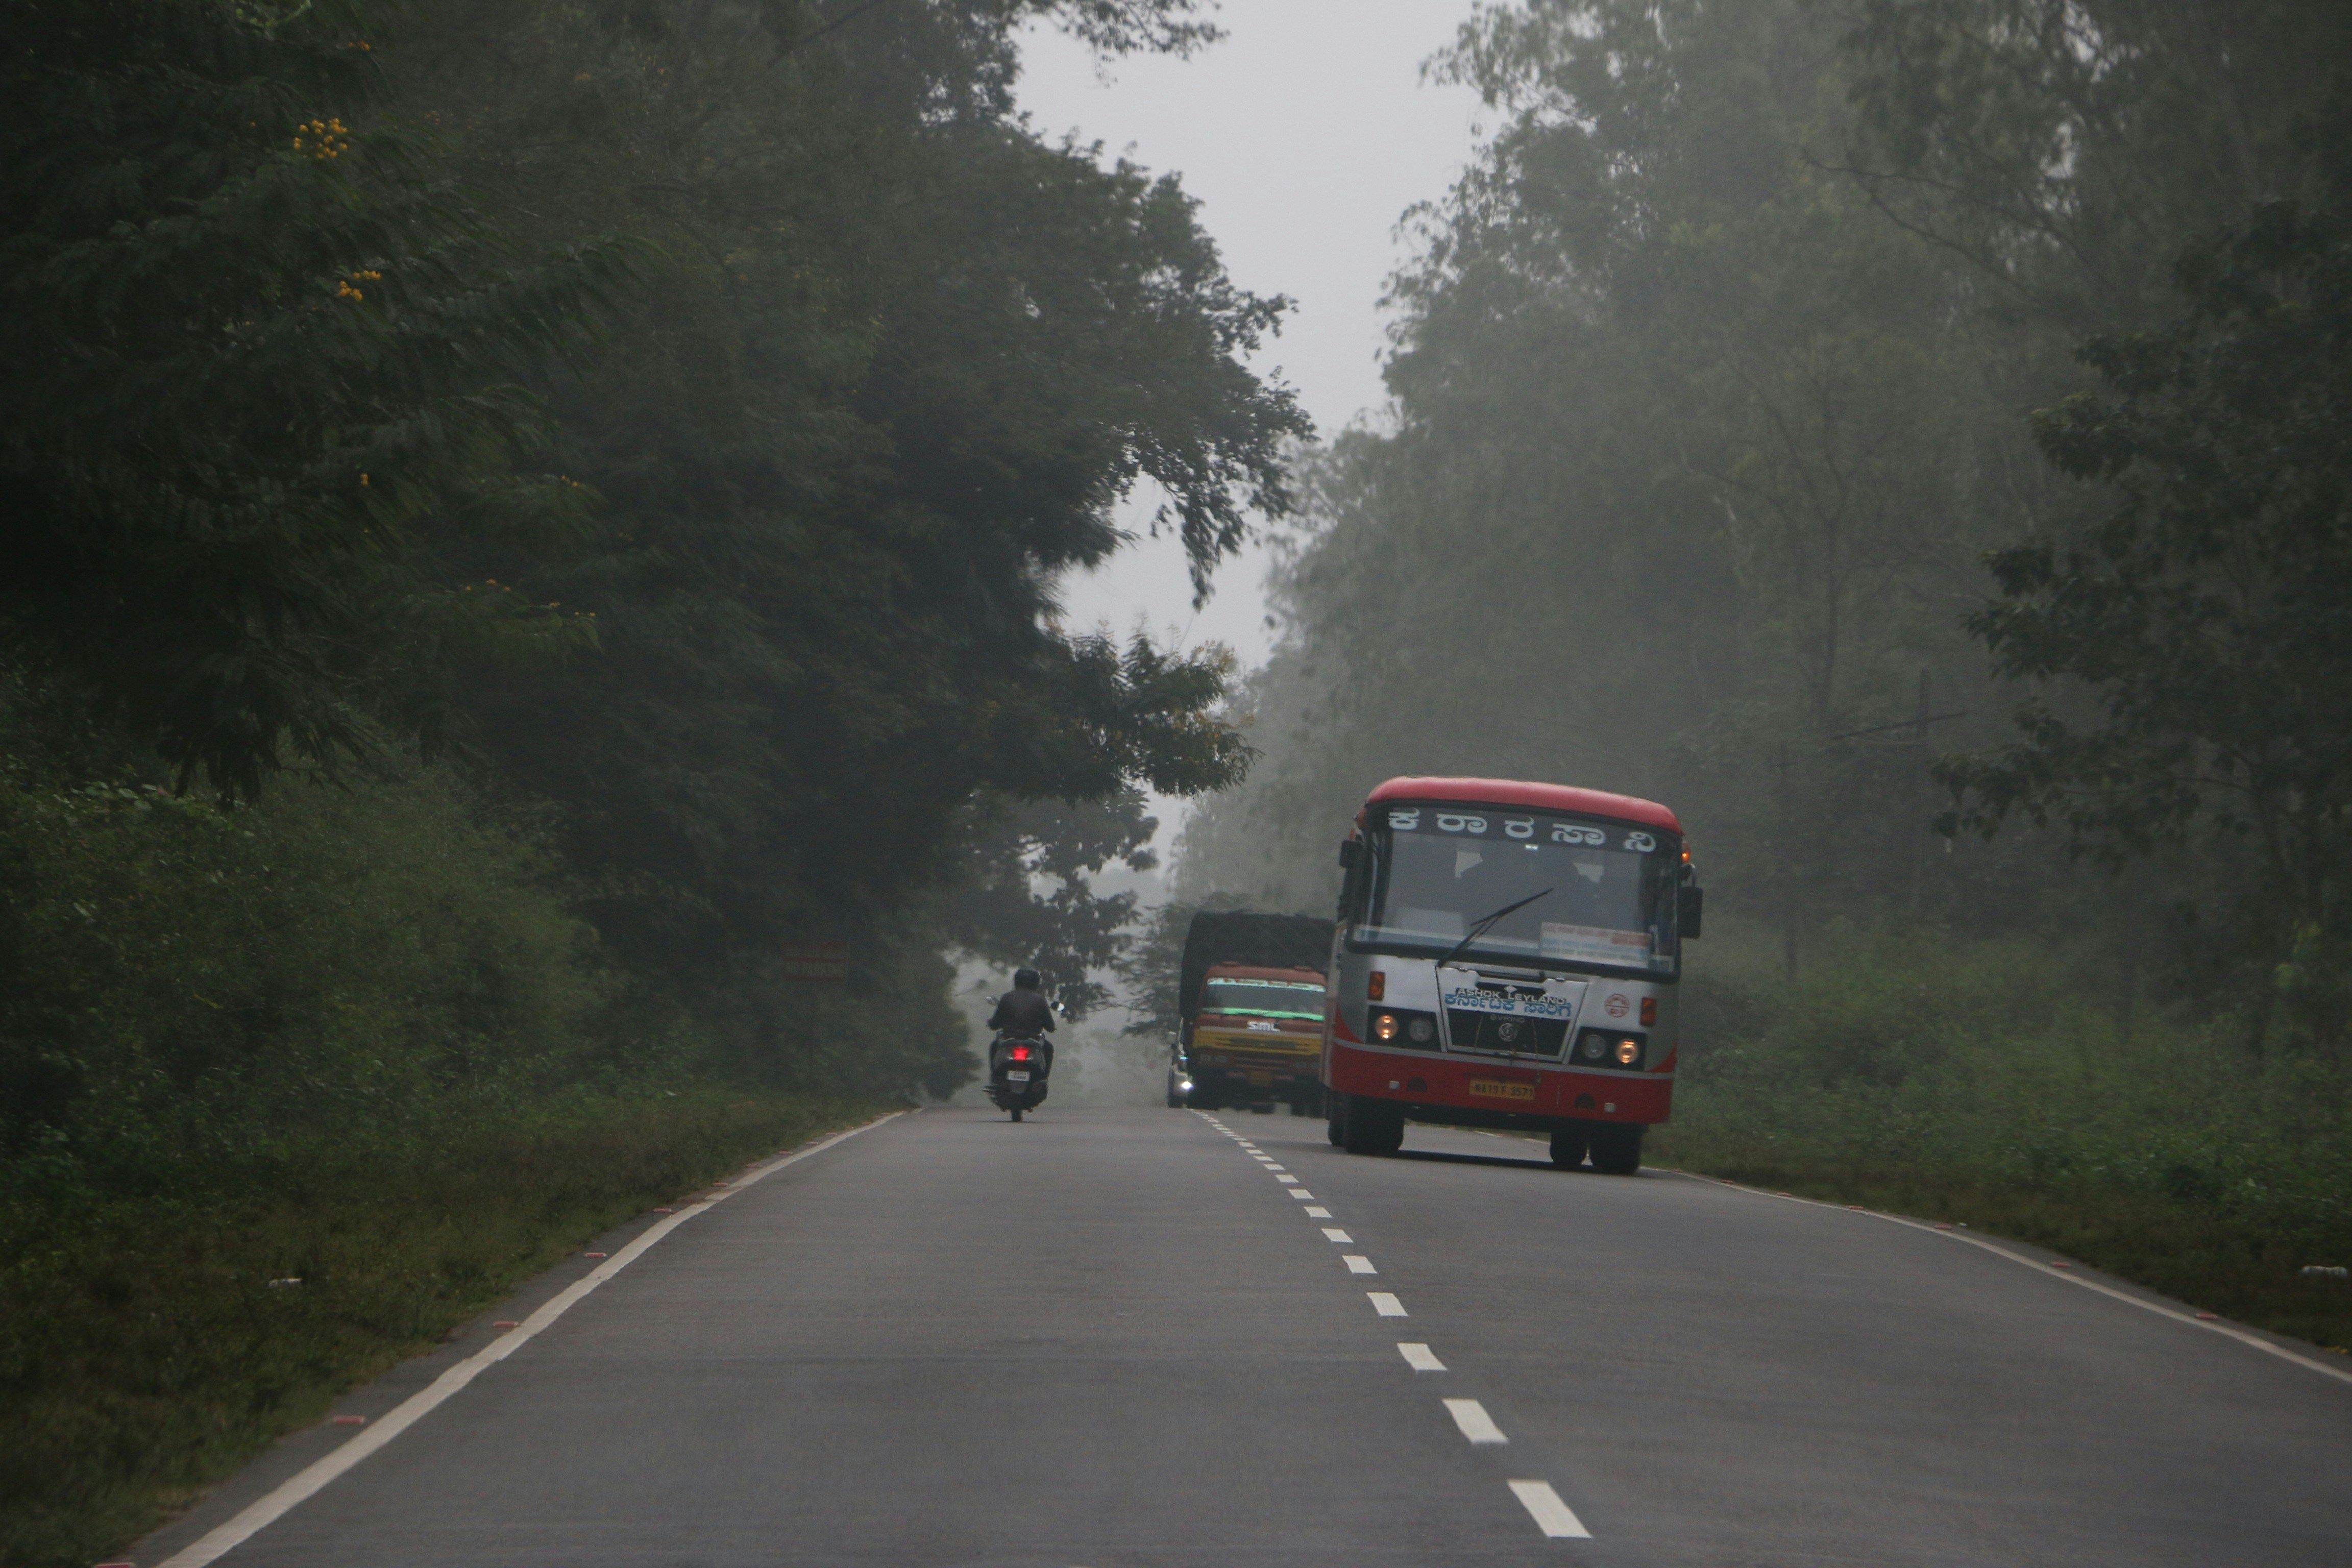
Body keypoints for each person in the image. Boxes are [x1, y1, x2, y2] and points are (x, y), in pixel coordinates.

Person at [987, 967, 1056, 1075]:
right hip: (1033, 1041)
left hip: (1009, 1040)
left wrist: (991, 1023)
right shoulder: (1041, 1000)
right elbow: (1050, 1027)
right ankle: (1044, 1078)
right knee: (1048, 1048)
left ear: (1017, 981)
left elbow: (995, 1024)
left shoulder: (1007, 998)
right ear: (1036, 983)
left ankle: (994, 1078)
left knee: (994, 1046)